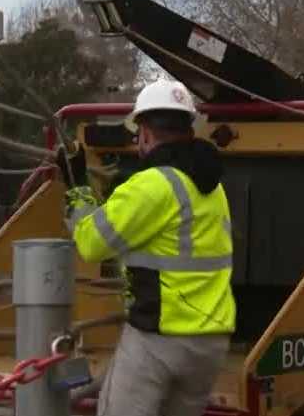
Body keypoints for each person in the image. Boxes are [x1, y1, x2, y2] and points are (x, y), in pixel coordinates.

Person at [59, 79, 236, 416]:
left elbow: (91, 243)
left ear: (145, 132)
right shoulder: (213, 188)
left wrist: (77, 187)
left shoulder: (151, 184)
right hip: (209, 344)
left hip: (159, 339)